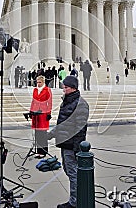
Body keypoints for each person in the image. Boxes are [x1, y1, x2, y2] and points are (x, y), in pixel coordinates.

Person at [48, 76, 89, 208]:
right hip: (65, 143)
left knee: (73, 173)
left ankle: (75, 202)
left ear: (73, 88)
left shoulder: (80, 104)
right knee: (69, 171)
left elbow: (80, 129)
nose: (63, 89)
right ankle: (77, 198)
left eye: (66, 87)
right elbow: (63, 124)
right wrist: (50, 135)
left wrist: (77, 149)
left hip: (71, 145)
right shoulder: (67, 102)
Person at [29, 75, 52, 158]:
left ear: (43, 82)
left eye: (40, 82)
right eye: (37, 82)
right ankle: (38, 151)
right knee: (37, 133)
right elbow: (33, 101)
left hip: (43, 113)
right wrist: (31, 111)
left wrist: (49, 113)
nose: (38, 84)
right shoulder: (35, 90)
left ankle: (44, 151)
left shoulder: (47, 90)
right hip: (35, 114)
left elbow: (49, 102)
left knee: (42, 134)